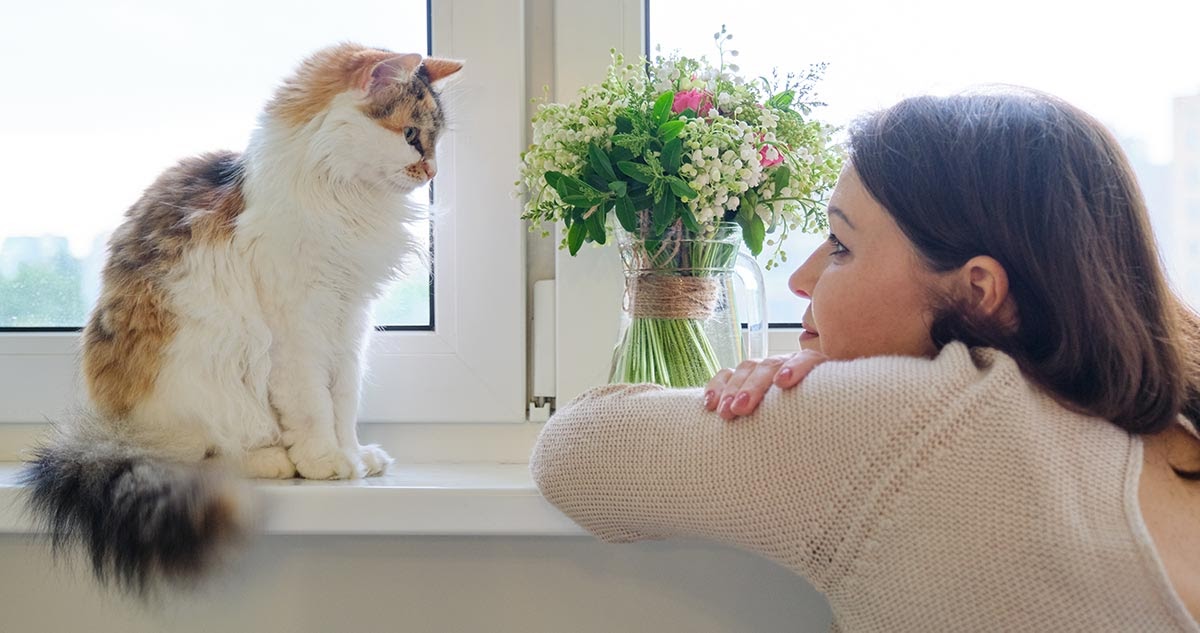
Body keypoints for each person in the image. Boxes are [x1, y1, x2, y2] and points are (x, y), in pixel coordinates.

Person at [531, 88, 1200, 632]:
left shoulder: (916, 418)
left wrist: (784, 392)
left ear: (977, 293)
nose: (801, 278)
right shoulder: (1173, 424)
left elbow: (572, 451)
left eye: (840, 246)